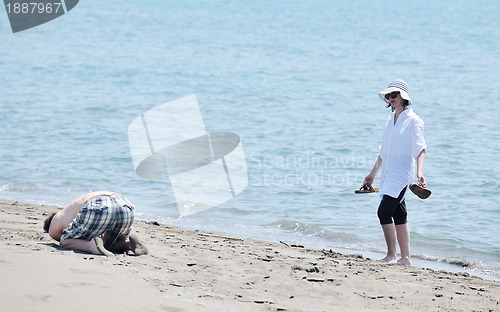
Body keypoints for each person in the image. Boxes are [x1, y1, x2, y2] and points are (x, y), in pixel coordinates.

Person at [362, 79, 427, 266]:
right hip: (388, 175)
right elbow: (384, 152)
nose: (390, 98)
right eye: (388, 95)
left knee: (383, 211)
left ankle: (391, 256)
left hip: (401, 175)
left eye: (394, 94)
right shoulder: (390, 120)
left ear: (404, 97)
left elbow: (420, 149)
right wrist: (372, 174)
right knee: (399, 214)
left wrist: (420, 172)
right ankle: (405, 259)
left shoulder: (414, 121)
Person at [44, 191, 148, 256]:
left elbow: (64, 240)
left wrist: (85, 243)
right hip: (125, 205)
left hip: (98, 205)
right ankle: (128, 244)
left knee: (65, 241)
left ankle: (92, 247)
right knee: (108, 243)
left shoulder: (56, 219)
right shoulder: (70, 209)